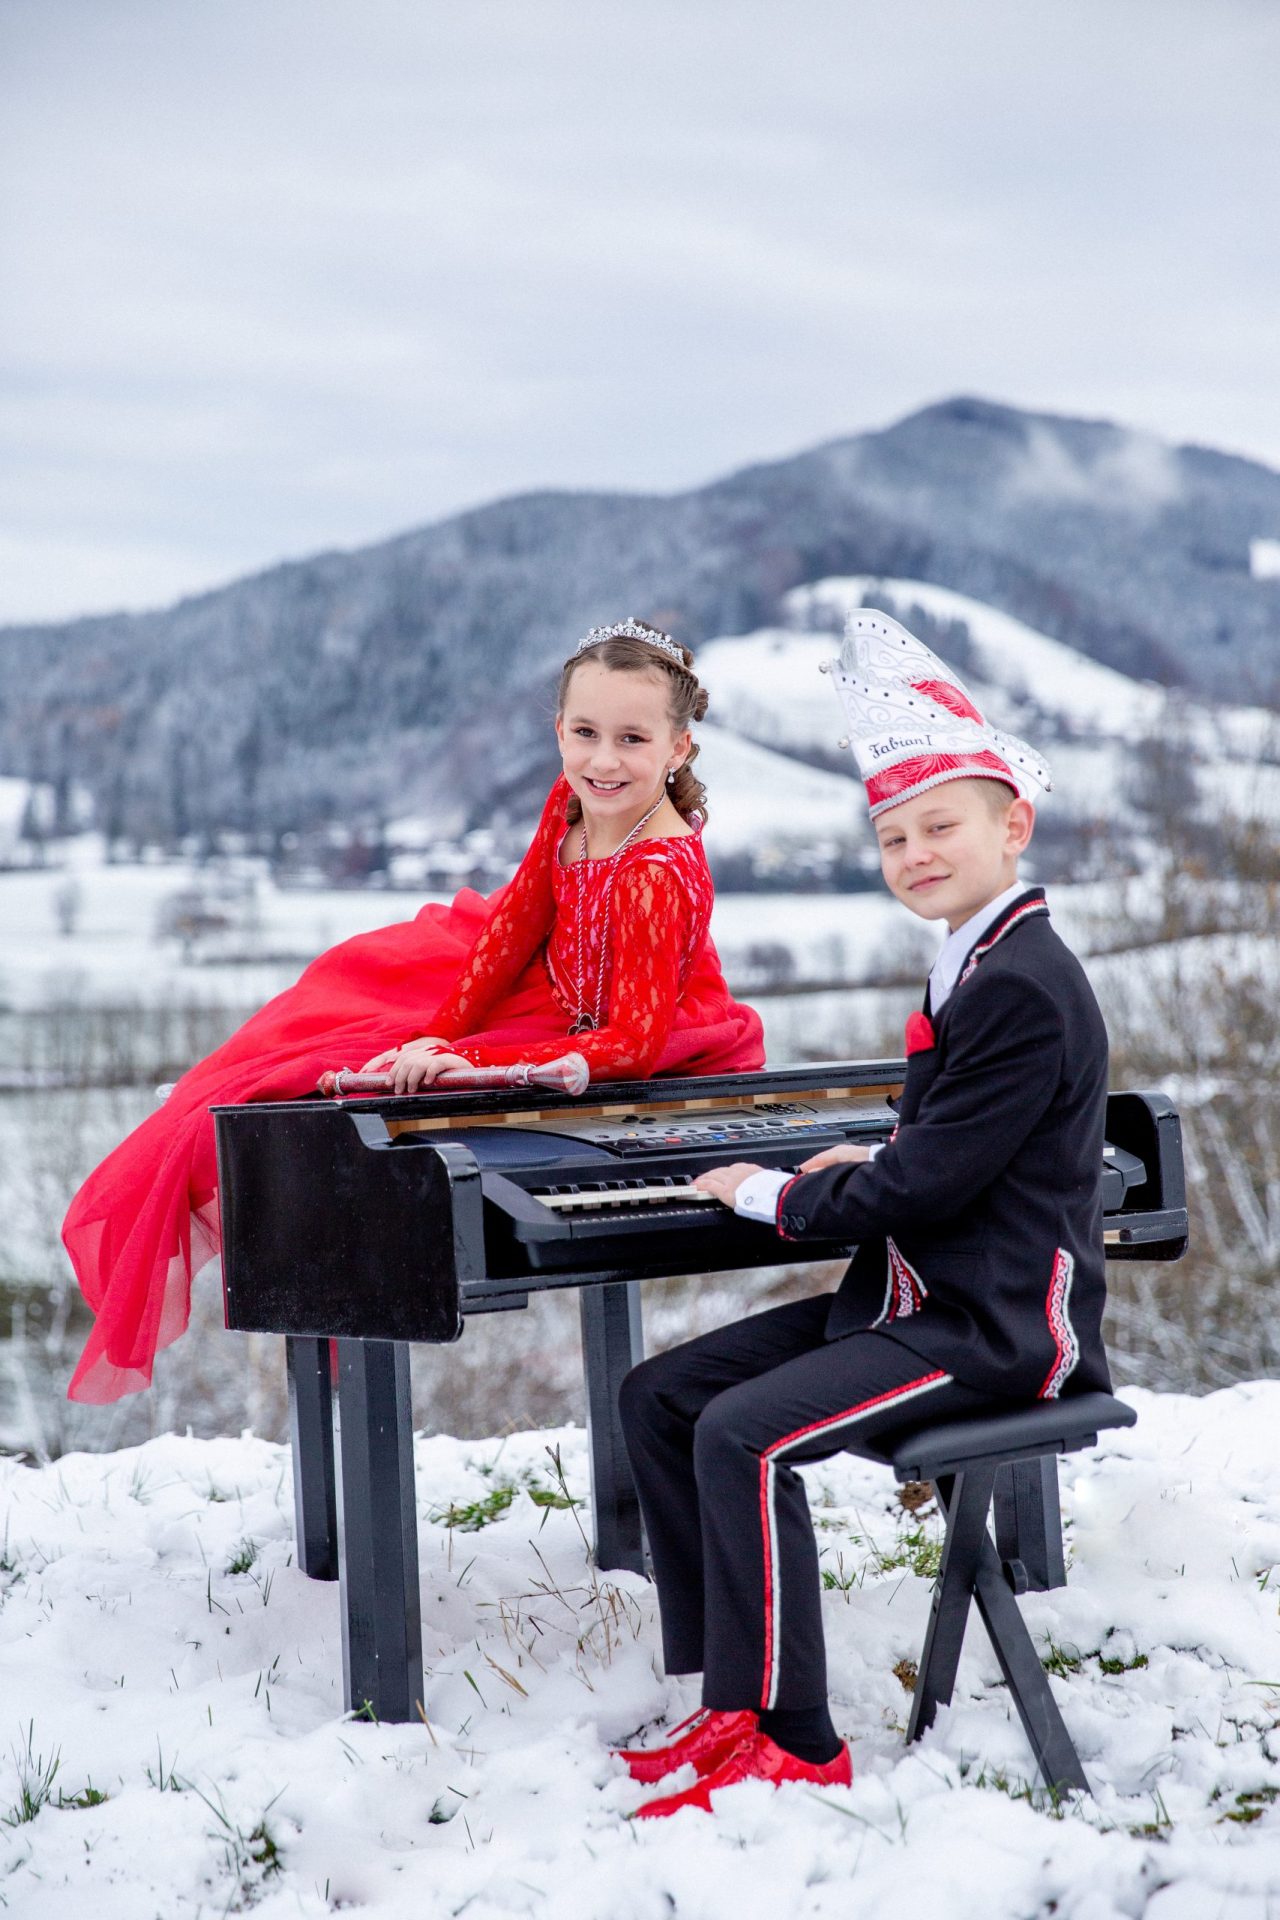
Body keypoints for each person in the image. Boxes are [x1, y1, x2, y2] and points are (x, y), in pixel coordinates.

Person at [615, 609, 1110, 1817]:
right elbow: (951, 1149)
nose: (914, 853)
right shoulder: (975, 962)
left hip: (995, 1329)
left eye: (939, 827)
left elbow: (927, 1188)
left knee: (742, 1433)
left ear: (1011, 826)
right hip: (924, 1297)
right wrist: (880, 1148)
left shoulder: (1021, 985)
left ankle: (792, 1737)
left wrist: (772, 1189)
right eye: (892, 837)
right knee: (660, 1395)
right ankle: (724, 1697)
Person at [63, 618, 764, 1403]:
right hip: (543, 982)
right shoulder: (574, 802)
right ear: (559, 731)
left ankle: (279, 1167)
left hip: (625, 1024)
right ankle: (221, 1107)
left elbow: (631, 1043)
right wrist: (441, 1029)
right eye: (585, 733)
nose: (604, 760)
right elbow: (517, 922)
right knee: (344, 997)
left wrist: (472, 1060)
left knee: (361, 1075)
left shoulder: (655, 873)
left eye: (632, 740)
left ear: (678, 749)